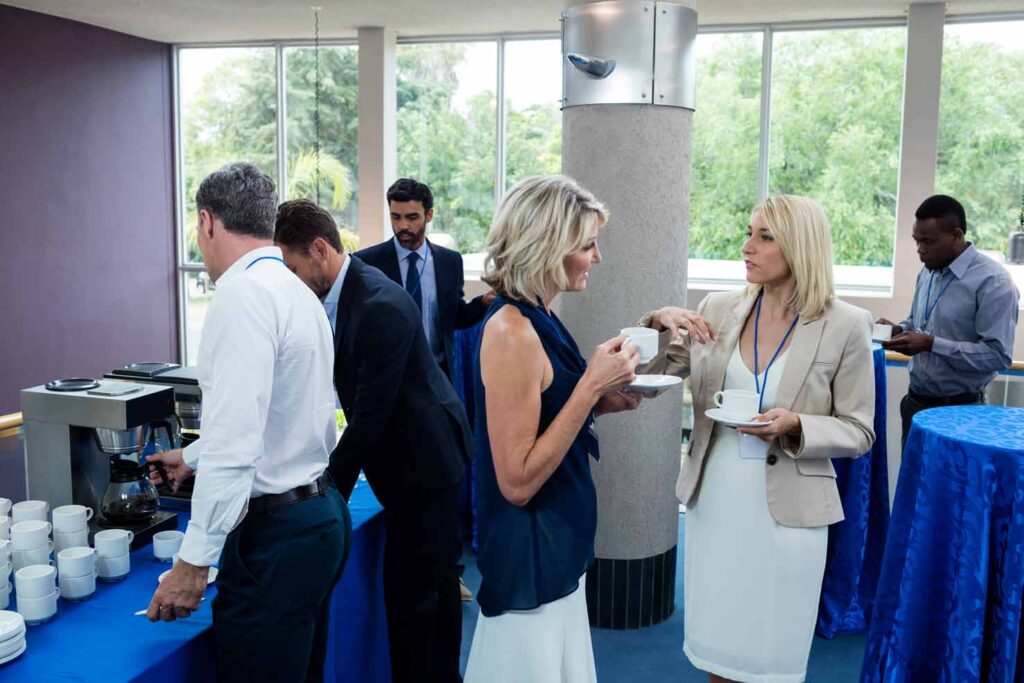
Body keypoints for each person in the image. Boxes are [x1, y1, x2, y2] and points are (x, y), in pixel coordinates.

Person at [640, 194, 875, 683]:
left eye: (764, 237)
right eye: (748, 233)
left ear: (799, 246)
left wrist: (797, 425)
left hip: (790, 511)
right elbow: (648, 374)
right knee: (718, 651)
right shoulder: (718, 308)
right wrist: (656, 326)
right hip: (718, 499)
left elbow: (859, 430)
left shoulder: (847, 324)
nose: (747, 246)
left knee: (771, 655)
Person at [145, 163, 350, 683]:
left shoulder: (240, 296)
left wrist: (193, 563)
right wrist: (191, 457)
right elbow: (276, 414)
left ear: (207, 223)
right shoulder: (296, 290)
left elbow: (237, 445)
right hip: (320, 513)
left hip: (276, 535)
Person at [275, 198, 472, 683]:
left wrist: (323, 496)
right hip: (409, 449)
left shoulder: (379, 304)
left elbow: (370, 418)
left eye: (293, 268)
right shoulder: (345, 290)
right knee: (436, 589)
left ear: (320, 250)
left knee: (416, 599)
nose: (291, 281)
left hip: (426, 461)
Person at [464, 176, 642, 683]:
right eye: (587, 245)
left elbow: (545, 415)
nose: (597, 257)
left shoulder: (540, 314)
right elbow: (516, 482)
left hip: (556, 544)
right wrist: (588, 390)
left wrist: (600, 403)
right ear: (548, 247)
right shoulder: (512, 331)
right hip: (530, 555)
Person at [877, 194, 1018, 449]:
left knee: (954, 489)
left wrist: (932, 344)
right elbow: (918, 323)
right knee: (913, 488)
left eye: (927, 241)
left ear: (956, 235)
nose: (920, 249)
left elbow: (998, 356)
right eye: (916, 241)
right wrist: (901, 330)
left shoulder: (993, 282)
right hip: (915, 406)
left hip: (962, 412)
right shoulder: (928, 272)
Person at [356, 178, 494, 378]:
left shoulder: (450, 261)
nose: (402, 225)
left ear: (429, 215)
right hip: (388, 377)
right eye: (396, 217)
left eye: (412, 217)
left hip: (437, 375)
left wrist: (482, 303)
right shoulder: (367, 262)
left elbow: (454, 317)